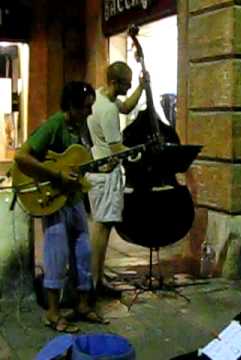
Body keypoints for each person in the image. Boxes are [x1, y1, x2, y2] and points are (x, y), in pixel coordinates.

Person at [14, 81, 108, 333]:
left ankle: (82, 305)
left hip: (74, 198)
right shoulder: (55, 125)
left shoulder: (81, 127)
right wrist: (56, 176)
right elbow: (21, 157)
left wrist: (100, 166)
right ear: (71, 107)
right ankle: (52, 313)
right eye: (85, 108)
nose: (89, 113)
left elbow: (78, 161)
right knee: (56, 254)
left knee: (84, 252)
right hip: (53, 199)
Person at [86, 61, 145, 296]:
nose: (128, 90)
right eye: (126, 85)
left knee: (101, 227)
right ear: (114, 82)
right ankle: (95, 282)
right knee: (101, 229)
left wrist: (142, 86)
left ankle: (96, 278)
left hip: (97, 171)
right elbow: (116, 148)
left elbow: (127, 107)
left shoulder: (100, 96)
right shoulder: (108, 110)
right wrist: (138, 153)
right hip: (106, 174)